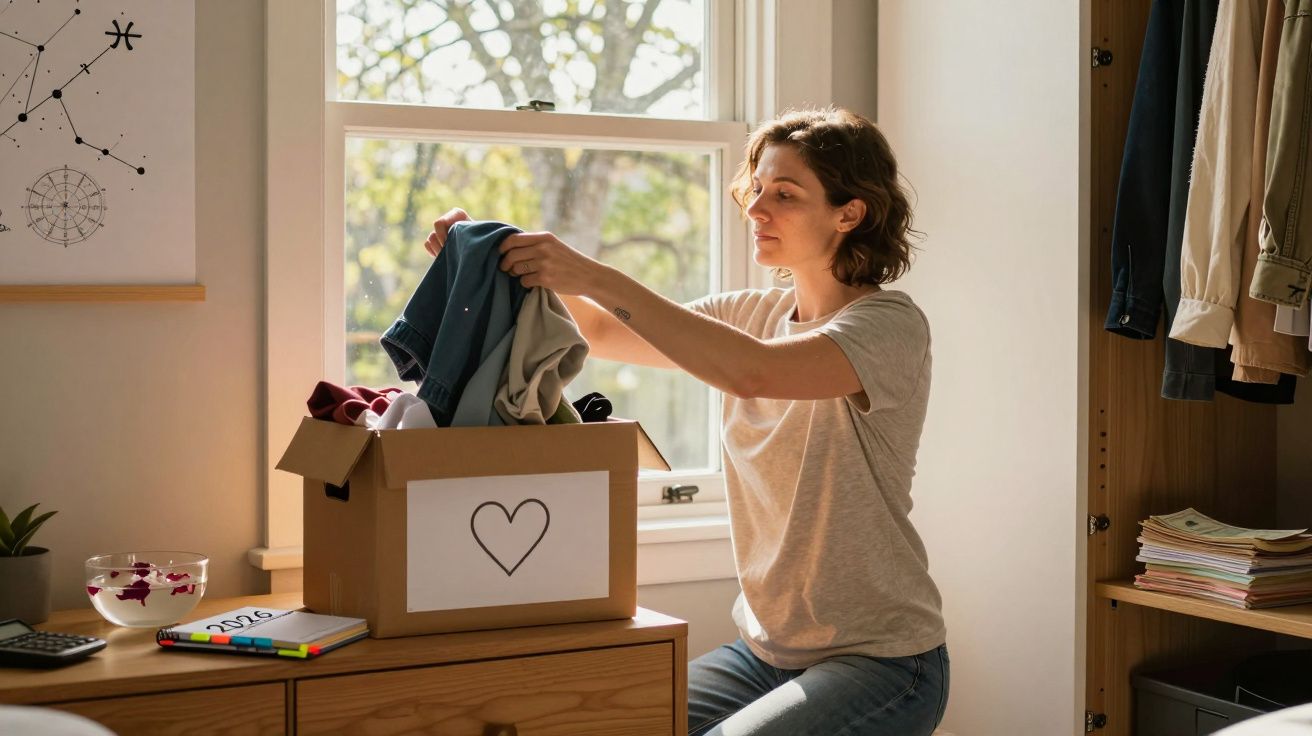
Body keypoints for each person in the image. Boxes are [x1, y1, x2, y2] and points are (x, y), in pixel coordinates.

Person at [424, 106, 948, 736]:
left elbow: (752, 372)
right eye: (756, 190)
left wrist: (592, 272)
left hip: (884, 661)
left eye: (785, 194)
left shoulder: (889, 326)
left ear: (850, 213)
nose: (757, 209)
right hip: (764, 653)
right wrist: (483, 258)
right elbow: (597, 329)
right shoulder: (749, 312)